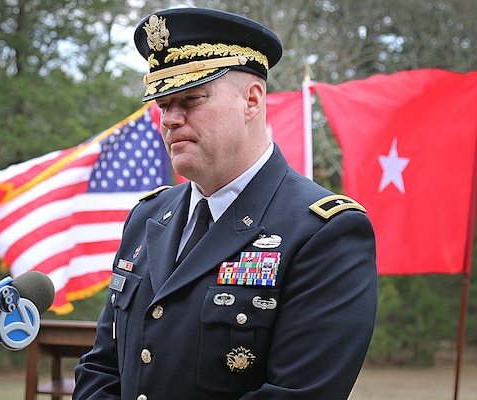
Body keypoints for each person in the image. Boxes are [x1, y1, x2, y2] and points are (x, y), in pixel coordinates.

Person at [74, 7, 378, 400]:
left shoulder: (324, 232)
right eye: (164, 104)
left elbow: (297, 394)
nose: (169, 119)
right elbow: (101, 368)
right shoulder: (147, 217)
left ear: (252, 100)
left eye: (190, 99)